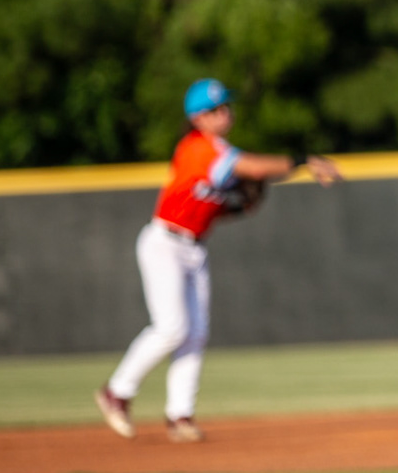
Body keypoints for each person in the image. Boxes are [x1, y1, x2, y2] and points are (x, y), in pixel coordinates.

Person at [94, 79, 341, 443]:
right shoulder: (198, 148)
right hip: (164, 243)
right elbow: (255, 168)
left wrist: (239, 208)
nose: (224, 113)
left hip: (194, 247)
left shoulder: (223, 154)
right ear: (197, 118)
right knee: (171, 327)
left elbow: (215, 205)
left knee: (195, 332)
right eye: (215, 109)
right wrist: (304, 161)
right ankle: (117, 392)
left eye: (226, 106)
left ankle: (180, 415)